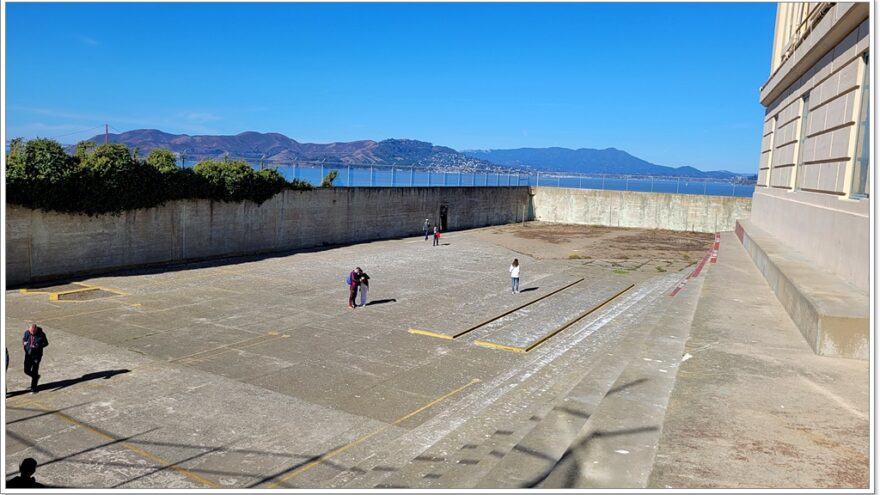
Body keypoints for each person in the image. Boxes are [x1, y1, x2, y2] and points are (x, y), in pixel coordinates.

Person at [23, 323, 48, 393]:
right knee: (26, 370)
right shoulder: (26, 333)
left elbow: (46, 343)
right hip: (28, 354)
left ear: (36, 330)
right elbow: (24, 340)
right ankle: (36, 376)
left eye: (34, 332)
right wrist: (26, 348)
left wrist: (38, 346)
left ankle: (34, 387)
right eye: (31, 332)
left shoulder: (41, 334)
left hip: (36, 356)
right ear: (29, 330)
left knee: (35, 370)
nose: (32, 333)